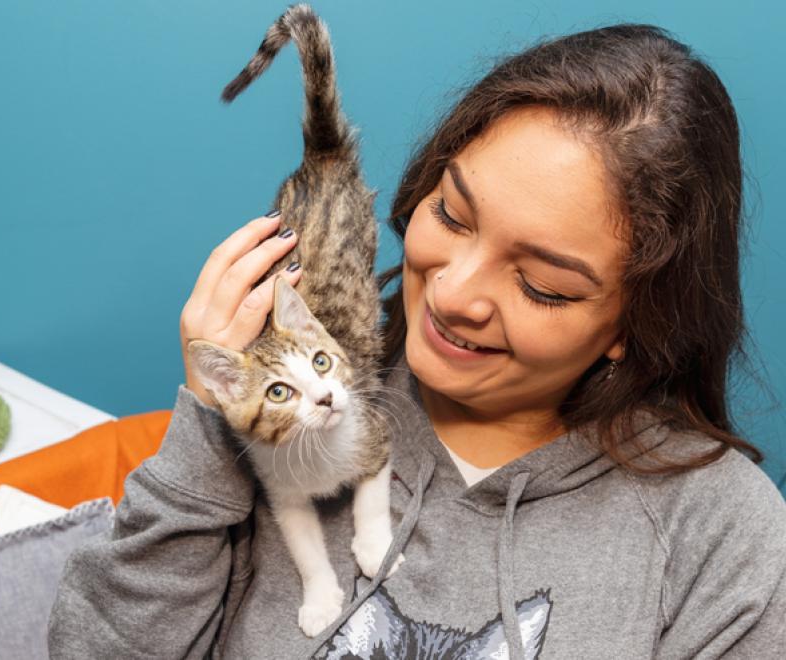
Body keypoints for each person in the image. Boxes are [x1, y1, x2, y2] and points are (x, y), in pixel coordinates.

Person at [48, 23, 785, 659]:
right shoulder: (291, 418)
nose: (455, 293)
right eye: (454, 215)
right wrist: (215, 421)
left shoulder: (722, 533)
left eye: (541, 286)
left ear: (633, 325)